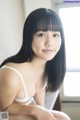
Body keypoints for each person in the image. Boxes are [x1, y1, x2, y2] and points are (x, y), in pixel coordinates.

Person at [0, 8, 70, 120]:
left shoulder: (45, 66)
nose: (50, 43)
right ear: (29, 37)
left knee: (63, 117)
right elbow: (4, 109)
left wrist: (41, 110)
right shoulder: (11, 74)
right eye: (41, 34)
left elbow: (40, 101)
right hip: (2, 115)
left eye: (55, 35)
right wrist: (35, 110)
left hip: (22, 111)